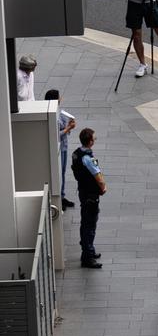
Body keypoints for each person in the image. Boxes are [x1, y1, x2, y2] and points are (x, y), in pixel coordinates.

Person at [70, 127, 105, 268]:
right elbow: (98, 177)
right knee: (90, 224)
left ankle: (89, 249)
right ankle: (87, 256)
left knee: (86, 221)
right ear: (90, 142)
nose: (95, 140)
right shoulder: (88, 158)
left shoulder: (76, 154)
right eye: (94, 139)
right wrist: (103, 188)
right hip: (91, 194)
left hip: (83, 192)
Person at [43, 89, 76, 210]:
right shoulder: (53, 115)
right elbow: (57, 133)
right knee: (59, 173)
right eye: (59, 97)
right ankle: (59, 198)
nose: (60, 98)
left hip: (64, 146)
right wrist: (68, 128)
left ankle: (62, 196)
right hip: (59, 147)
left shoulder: (58, 112)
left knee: (62, 172)